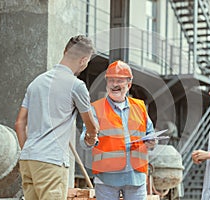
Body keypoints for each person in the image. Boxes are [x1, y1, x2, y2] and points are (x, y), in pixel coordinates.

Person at [15, 35, 99, 200]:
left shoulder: (36, 83)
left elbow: (19, 124)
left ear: (65, 51)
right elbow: (92, 126)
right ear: (84, 60)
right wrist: (91, 137)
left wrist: (31, 151)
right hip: (51, 162)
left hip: (28, 160)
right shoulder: (76, 86)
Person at [80, 60, 156, 200]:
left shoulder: (140, 107)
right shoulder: (96, 109)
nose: (115, 85)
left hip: (136, 176)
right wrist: (89, 138)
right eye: (111, 81)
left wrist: (152, 142)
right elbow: (84, 141)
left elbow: (150, 133)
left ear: (129, 84)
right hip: (107, 178)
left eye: (119, 81)